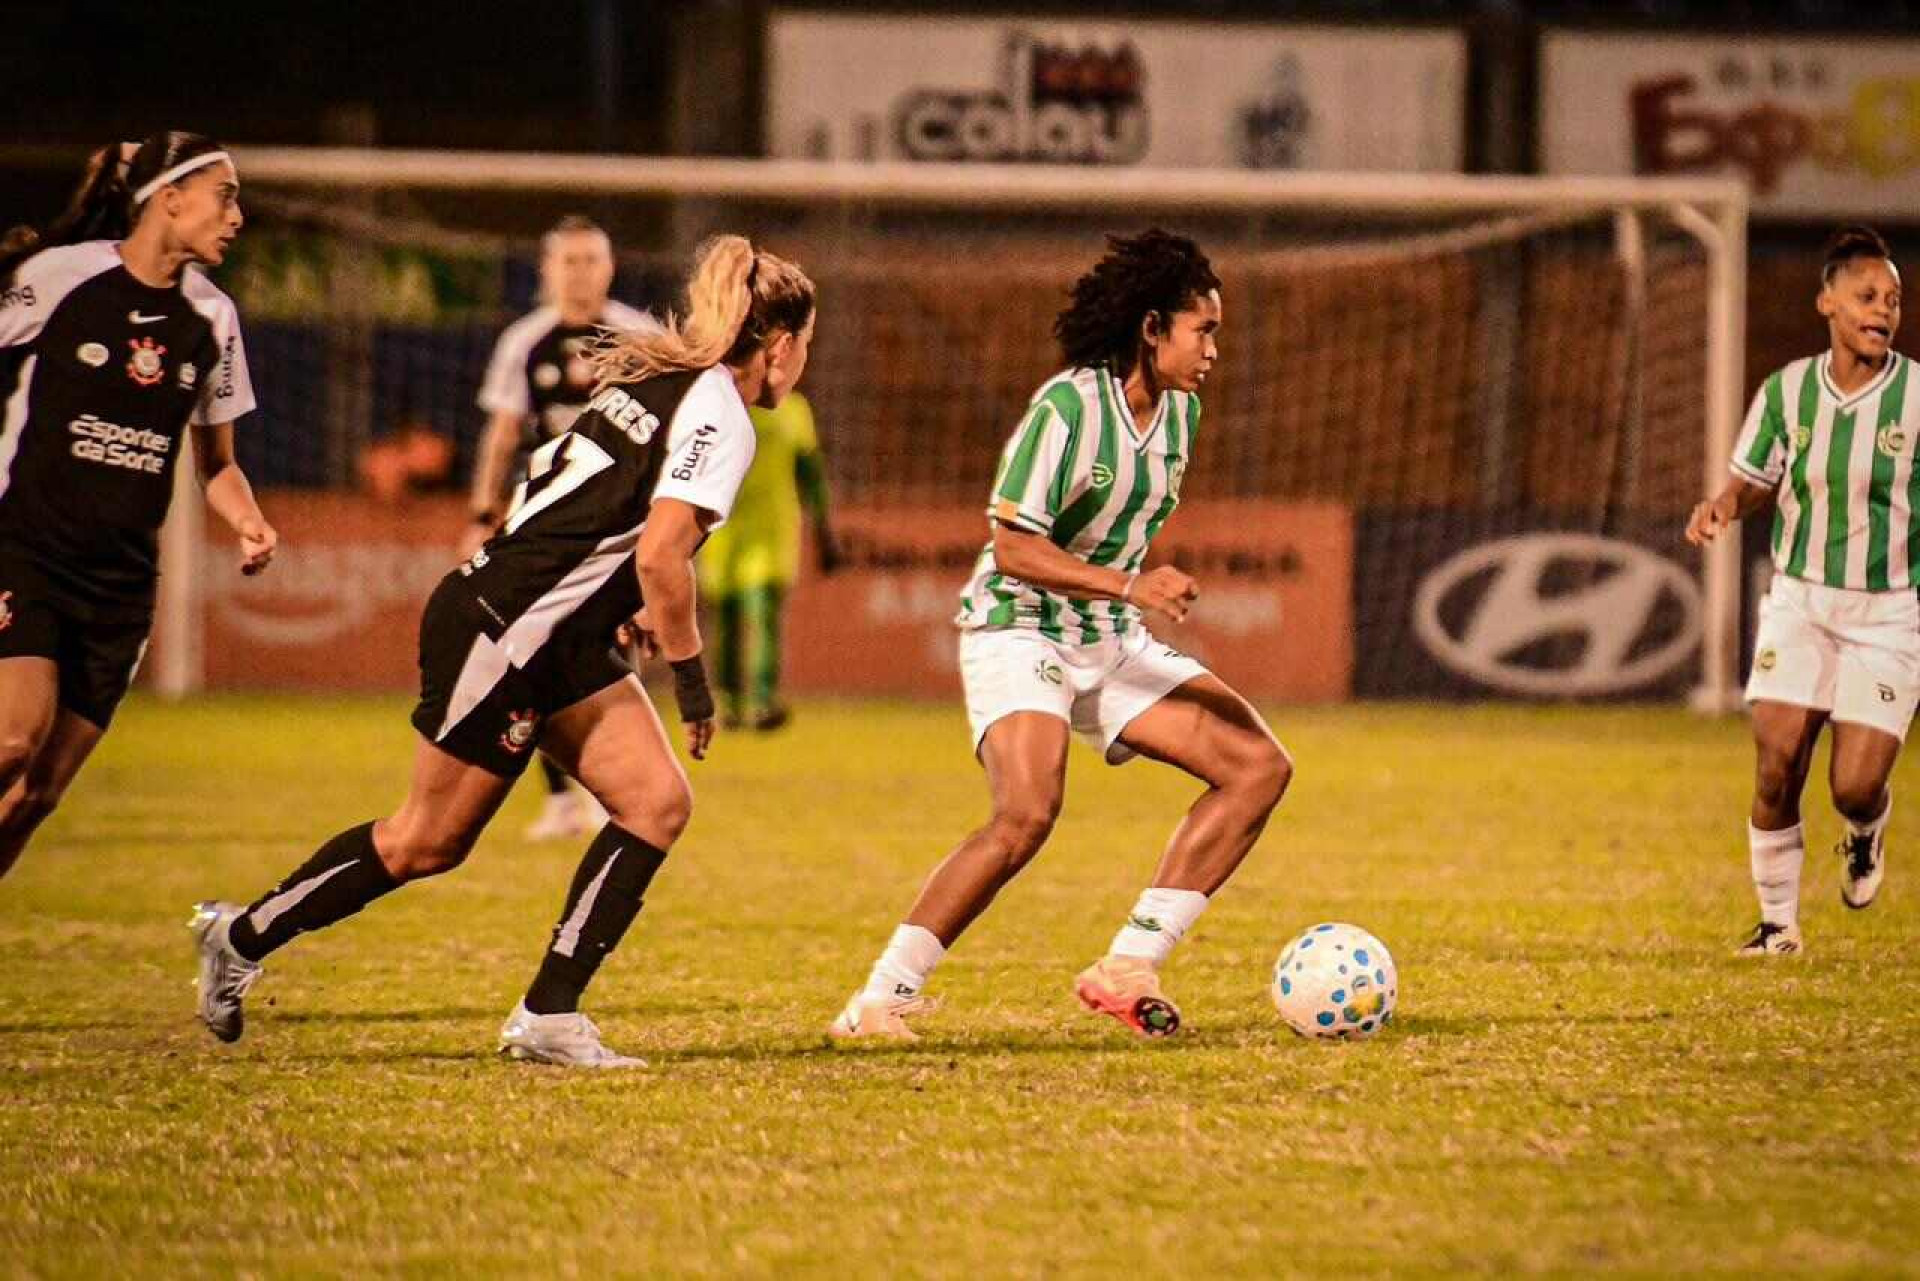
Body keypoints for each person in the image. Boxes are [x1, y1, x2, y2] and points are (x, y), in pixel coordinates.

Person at [191, 236, 816, 1066]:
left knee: (656, 803)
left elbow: (564, 492)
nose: (805, 359)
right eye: (807, 343)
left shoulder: (658, 378)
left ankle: (550, 1014)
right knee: (427, 841)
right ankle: (241, 934)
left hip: (554, 631)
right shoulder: (721, 414)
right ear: (778, 348)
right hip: (506, 629)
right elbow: (662, 554)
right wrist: (695, 678)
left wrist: (609, 604)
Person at [829, 229, 1291, 1041]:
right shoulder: (1067, 407)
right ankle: (880, 999)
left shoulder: (1182, 415)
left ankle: (1127, 964)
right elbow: (1013, 545)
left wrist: (1134, 590)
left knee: (1256, 765)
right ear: (1152, 328)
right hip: (1019, 626)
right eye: (1204, 329)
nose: (1216, 347)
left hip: (1105, 635)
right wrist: (1132, 584)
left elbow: (1118, 537)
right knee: (1027, 813)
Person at [0, 132, 275, 881]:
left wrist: (246, 517)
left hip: (121, 587)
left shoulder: (212, 320)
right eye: (226, 195)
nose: (238, 216)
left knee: (37, 794)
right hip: (27, 552)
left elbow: (216, 464)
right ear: (168, 199)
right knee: (12, 741)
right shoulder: (57, 280)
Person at [1688, 225, 1911, 957]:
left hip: (1889, 613)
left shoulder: (1915, 400)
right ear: (1828, 302)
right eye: (1866, 295)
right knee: (1777, 757)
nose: (1882, 309)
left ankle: (1864, 830)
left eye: (1893, 300)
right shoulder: (1786, 391)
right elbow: (1757, 478)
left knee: (1851, 785)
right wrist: (1724, 503)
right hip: (1801, 600)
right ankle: (1779, 924)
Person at [466, 216, 654, 840]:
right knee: (528, 654)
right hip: (541, 524)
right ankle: (559, 799)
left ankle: (609, 792)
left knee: (609, 651)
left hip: (618, 524)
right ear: (547, 271)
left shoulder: (639, 336)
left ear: (611, 266)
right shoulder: (526, 340)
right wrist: (481, 516)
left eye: (591, 260)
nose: (580, 272)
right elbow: (502, 434)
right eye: (568, 261)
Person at [697, 390, 841, 730]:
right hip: (723, 530)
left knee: (763, 614)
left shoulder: (794, 410)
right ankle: (728, 701)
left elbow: (811, 472)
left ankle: (763, 702)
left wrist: (824, 532)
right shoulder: (717, 406)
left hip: (771, 529)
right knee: (727, 619)